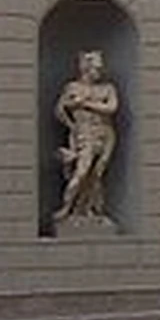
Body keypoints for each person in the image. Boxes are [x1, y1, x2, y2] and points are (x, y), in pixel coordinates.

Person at [54, 51, 122, 227]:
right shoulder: (73, 87)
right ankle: (67, 209)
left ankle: (90, 210)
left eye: (100, 68)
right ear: (86, 68)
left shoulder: (107, 88)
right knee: (82, 171)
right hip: (85, 134)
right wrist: (72, 126)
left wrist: (84, 104)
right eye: (96, 68)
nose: (99, 71)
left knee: (96, 174)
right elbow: (60, 110)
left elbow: (111, 107)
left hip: (106, 133)